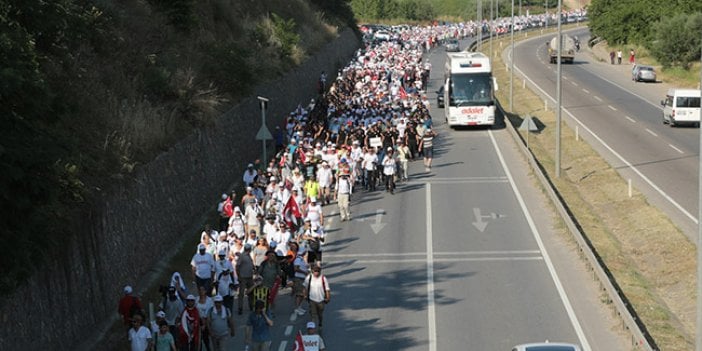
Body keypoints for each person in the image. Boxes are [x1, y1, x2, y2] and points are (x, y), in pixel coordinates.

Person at [303, 265, 331, 331]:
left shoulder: (323, 278)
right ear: (312, 271)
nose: (316, 273)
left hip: (321, 300)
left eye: (318, 271)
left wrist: (328, 297)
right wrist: (305, 295)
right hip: (312, 299)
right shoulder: (309, 277)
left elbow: (327, 289)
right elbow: (305, 287)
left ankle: (320, 323)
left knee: (320, 314)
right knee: (313, 315)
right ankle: (313, 328)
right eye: (315, 271)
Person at [236, 243, 255, 315]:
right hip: (243, 277)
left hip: (249, 276)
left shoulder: (248, 256)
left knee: (251, 292)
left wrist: (253, 268)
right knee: (241, 293)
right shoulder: (242, 256)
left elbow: (250, 264)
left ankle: (251, 305)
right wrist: (239, 276)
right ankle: (240, 308)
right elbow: (237, 266)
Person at [195, 286, 214, 351]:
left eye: (203, 290)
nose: (201, 291)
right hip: (198, 321)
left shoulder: (210, 300)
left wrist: (205, 324)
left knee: (206, 340)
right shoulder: (196, 300)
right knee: (198, 340)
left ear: (205, 291)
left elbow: (211, 312)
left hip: (207, 321)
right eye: (200, 290)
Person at [293, 247, 310, 315]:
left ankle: (299, 307)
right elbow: (296, 268)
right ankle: (297, 308)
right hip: (299, 278)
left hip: (303, 278)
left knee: (303, 294)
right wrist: (304, 272)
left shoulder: (302, 259)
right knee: (299, 294)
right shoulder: (298, 260)